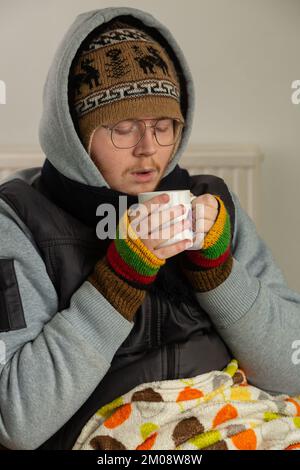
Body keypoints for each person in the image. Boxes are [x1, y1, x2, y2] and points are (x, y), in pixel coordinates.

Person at [0, 6, 299, 451]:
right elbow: (18, 421)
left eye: (164, 127)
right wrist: (118, 280)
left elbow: (290, 369)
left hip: (234, 410)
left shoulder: (212, 204)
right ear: (76, 135)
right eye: (123, 129)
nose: (148, 151)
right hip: (115, 430)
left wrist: (218, 272)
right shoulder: (20, 220)